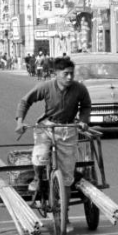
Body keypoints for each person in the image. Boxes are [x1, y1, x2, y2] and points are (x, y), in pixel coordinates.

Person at [15, 57, 92, 191]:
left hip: (68, 128)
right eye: (65, 74)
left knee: (68, 173)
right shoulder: (46, 87)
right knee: (40, 155)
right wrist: (20, 122)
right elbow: (25, 102)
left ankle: (64, 206)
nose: (69, 77)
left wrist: (83, 121)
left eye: (71, 74)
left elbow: (86, 106)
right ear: (56, 74)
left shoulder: (80, 89)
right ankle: (37, 178)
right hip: (47, 127)